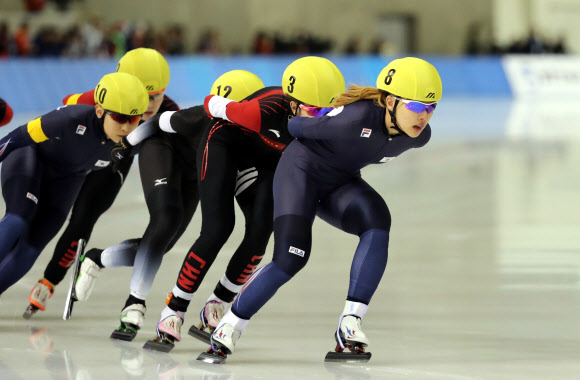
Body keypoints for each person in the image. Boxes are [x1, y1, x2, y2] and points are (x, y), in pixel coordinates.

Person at [204, 57, 443, 362]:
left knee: (378, 220)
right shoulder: (353, 119)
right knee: (290, 258)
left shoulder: (419, 137)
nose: (424, 116)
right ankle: (228, 326)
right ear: (390, 101)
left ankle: (350, 323)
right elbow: (297, 124)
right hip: (299, 174)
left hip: (339, 183)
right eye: (416, 106)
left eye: (431, 107)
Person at [150, 57, 346, 350]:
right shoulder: (264, 110)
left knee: (260, 235)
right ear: (292, 104)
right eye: (315, 110)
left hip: (265, 161)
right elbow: (210, 106)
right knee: (218, 228)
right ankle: (173, 310)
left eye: (329, 111)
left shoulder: (328, 119)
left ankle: (217, 303)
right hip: (224, 144)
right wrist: (145, 130)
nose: (322, 117)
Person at [72, 70, 267, 341]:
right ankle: (134, 303)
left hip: (197, 170)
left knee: (164, 244)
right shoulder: (202, 115)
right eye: (223, 118)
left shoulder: (260, 126)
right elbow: (157, 124)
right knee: (165, 222)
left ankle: (97, 258)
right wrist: (126, 144)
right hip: (164, 150)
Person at [24, 47, 178, 318]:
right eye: (146, 95)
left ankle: (49, 280)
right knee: (42, 214)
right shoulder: (106, 94)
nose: (152, 104)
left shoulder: (168, 111)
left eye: (158, 95)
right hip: (81, 155)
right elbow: (67, 103)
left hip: (112, 165)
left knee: (83, 219)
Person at [0, 72, 148, 297]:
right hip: (31, 158)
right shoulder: (71, 119)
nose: (127, 127)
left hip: (69, 178)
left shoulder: (135, 139)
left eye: (134, 119)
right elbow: (15, 139)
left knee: (31, 248)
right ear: (99, 111)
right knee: (19, 219)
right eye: (119, 118)